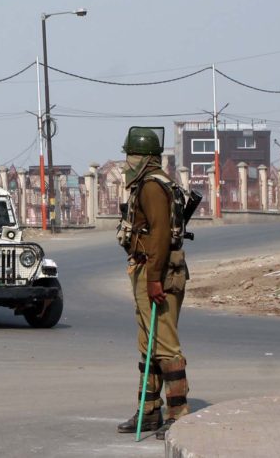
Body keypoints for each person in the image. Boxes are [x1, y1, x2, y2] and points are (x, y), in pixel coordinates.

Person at [116, 127, 190, 440]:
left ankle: (178, 414)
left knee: (166, 346)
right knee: (149, 346)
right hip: (148, 269)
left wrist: (154, 279)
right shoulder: (155, 182)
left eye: (131, 156)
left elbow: (159, 235)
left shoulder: (151, 187)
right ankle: (149, 412)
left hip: (157, 271)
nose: (127, 163)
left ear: (144, 158)